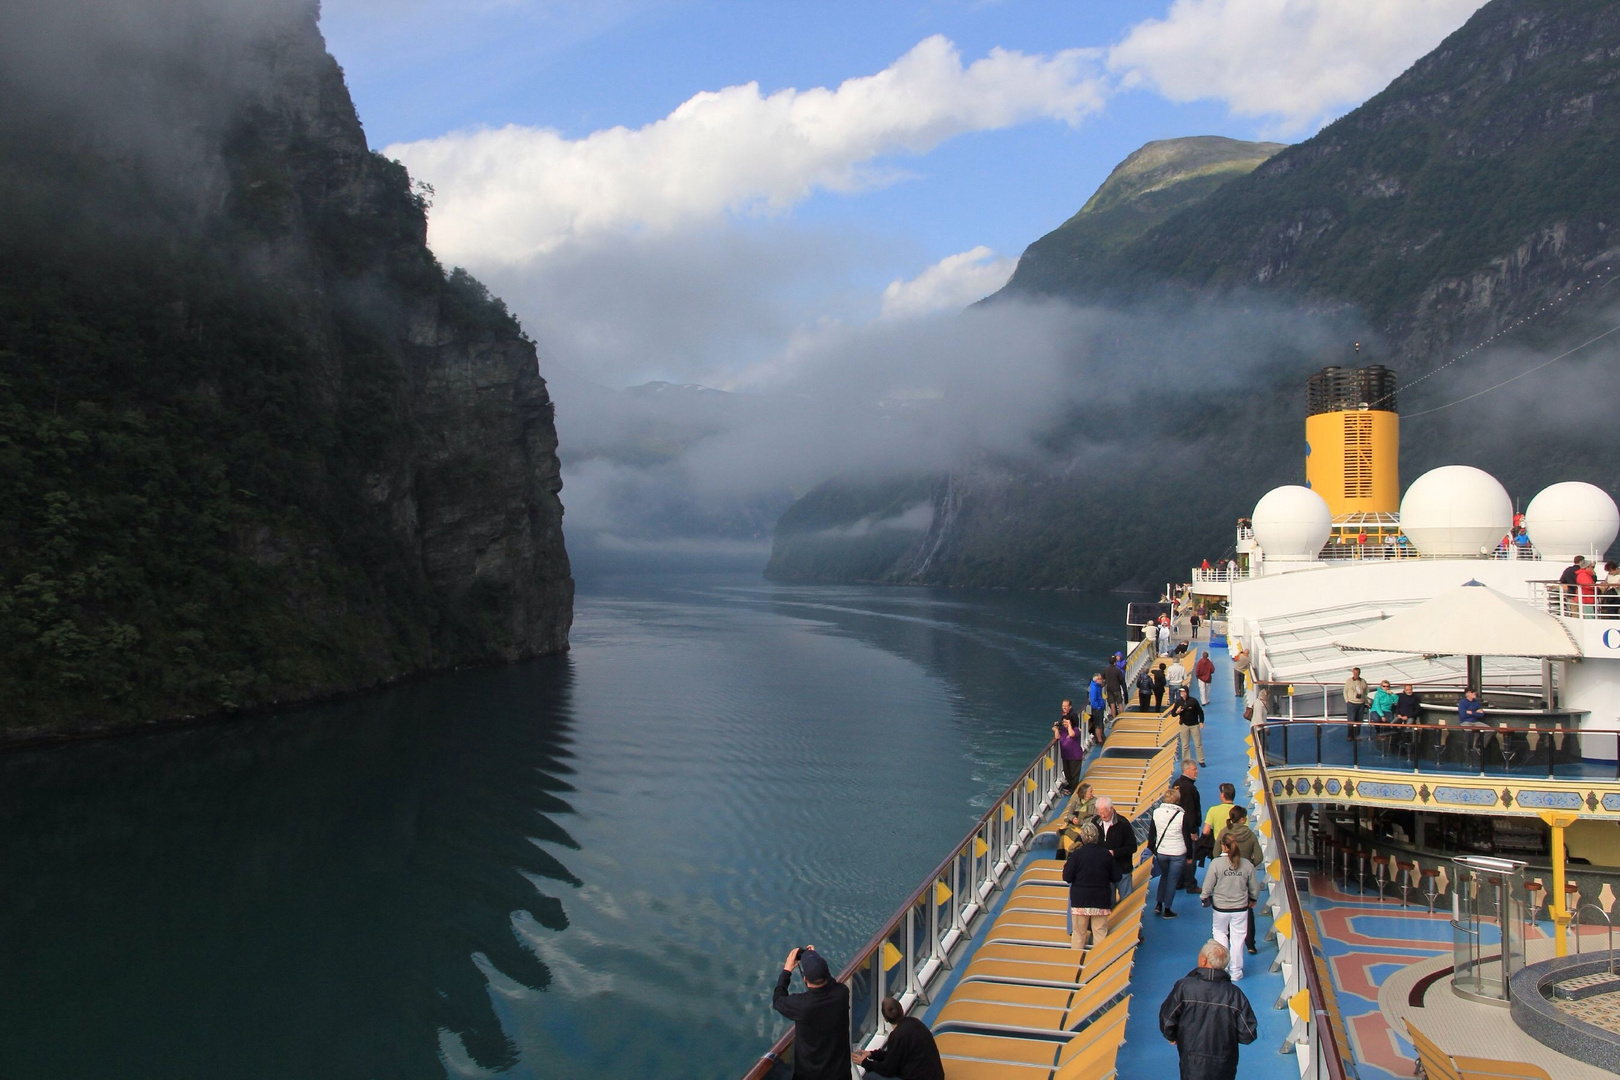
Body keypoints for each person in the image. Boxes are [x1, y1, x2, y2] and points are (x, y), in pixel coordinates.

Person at [1158, 940, 1258, 1080]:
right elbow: (1248, 1034)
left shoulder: (1185, 987)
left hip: (1192, 1061)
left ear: (1204, 961)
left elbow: (1167, 1019)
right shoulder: (1235, 995)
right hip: (1224, 1064)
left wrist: (1172, 1035)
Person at [774, 947, 851, 1080]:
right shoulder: (842, 993)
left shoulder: (801, 1005)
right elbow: (830, 983)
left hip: (809, 1074)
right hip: (840, 1072)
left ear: (805, 980)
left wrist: (787, 971)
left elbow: (778, 1000)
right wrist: (813, 958)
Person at [1200, 835, 1259, 980]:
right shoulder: (1246, 864)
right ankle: (1236, 972)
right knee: (1238, 940)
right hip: (1240, 908)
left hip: (1220, 908)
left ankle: (1222, 967)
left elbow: (1208, 885)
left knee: (1220, 934)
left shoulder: (1216, 864)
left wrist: (1204, 897)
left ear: (1223, 846)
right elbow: (1254, 887)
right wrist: (1253, 899)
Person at [1062, 822, 1121, 952]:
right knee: (1100, 933)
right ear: (1097, 837)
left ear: (1082, 837)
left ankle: (1075, 965)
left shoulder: (1076, 855)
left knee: (1078, 934)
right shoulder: (1106, 855)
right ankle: (1100, 965)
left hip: (1080, 901)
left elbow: (1067, 877)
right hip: (1100, 901)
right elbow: (1117, 876)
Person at [852, 997, 944, 1080]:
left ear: (885, 1019)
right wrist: (872, 1054)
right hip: (937, 1076)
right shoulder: (915, 1022)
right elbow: (895, 1055)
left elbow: (888, 1070)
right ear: (902, 1010)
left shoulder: (897, 1035)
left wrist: (865, 1063)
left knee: (870, 1075)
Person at [1217, 806, 1264, 955]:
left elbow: (1215, 853)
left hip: (1225, 876)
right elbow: (1259, 857)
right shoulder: (1250, 835)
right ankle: (1250, 944)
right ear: (1243, 819)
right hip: (1244, 879)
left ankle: (1227, 939)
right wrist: (1248, 866)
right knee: (1247, 910)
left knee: (1226, 908)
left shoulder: (1224, 832)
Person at [1147, 788, 1188, 918]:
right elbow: (1186, 835)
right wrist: (1191, 854)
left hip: (1161, 851)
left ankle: (1158, 904)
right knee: (1172, 880)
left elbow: (1152, 833)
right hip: (1178, 852)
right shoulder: (1182, 815)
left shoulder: (1156, 812)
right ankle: (1168, 909)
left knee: (1164, 876)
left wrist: (1152, 849)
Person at [1093, 796, 1138, 904]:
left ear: (1111, 809)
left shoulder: (1123, 823)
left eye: (1105, 813)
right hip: (1105, 870)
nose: (1103, 816)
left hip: (1122, 869)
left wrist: (1114, 853)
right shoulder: (1095, 822)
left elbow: (1132, 847)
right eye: (1100, 813)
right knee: (1109, 904)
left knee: (1127, 902)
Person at [1173, 762, 1203, 893]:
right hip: (1188, 828)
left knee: (1180, 854)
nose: (1197, 771)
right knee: (1191, 856)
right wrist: (1193, 831)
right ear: (1186, 770)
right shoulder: (1189, 788)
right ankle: (1190, 883)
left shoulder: (1177, 784)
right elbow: (1190, 810)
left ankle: (1179, 881)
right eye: (1194, 769)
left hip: (1177, 826)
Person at [1171, 687, 1206, 767]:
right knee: (1185, 745)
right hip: (1184, 725)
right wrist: (1177, 712)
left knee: (1198, 743)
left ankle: (1201, 760)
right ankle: (1186, 761)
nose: (1181, 693)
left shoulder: (1193, 701)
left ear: (1186, 692)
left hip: (1194, 725)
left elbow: (1200, 712)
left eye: (1183, 692)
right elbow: (1173, 714)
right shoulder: (1178, 702)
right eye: (1180, 692)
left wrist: (1201, 722)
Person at [1055, 713, 1085, 794]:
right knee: (1067, 773)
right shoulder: (1063, 731)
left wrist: (1069, 726)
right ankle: (1070, 786)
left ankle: (1073, 789)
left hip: (1075, 756)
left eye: (1066, 722)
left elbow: (1072, 734)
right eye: (1063, 722)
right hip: (1066, 756)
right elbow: (1057, 737)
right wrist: (1057, 728)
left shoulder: (1075, 729)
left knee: (1074, 774)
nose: (1064, 724)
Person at [1394, 683, 1422, 756]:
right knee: (1392, 724)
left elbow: (1417, 710)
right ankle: (1395, 740)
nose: (1409, 691)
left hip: (1410, 716)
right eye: (1407, 690)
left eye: (1410, 690)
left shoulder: (1416, 698)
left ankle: (1404, 741)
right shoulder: (1401, 697)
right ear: (1404, 690)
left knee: (1407, 727)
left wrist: (1408, 716)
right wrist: (1398, 714)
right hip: (1400, 715)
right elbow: (1398, 707)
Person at [1369, 680, 1398, 745]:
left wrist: (1392, 694)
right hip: (1376, 710)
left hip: (1387, 710)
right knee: (1377, 719)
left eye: (1387, 686)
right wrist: (1382, 715)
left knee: (1390, 720)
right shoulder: (1378, 694)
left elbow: (1397, 700)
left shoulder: (1390, 694)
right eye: (1384, 686)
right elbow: (1377, 705)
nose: (1386, 688)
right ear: (1381, 687)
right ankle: (1378, 732)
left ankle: (1386, 734)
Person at [1343, 667, 1368, 741]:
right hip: (1351, 703)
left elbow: (1366, 691)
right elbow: (1345, 691)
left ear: (1359, 673)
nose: (1356, 674)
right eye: (1354, 673)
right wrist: (1347, 700)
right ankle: (1350, 735)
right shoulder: (1349, 681)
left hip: (1361, 703)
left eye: (1357, 673)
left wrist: (1364, 699)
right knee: (1351, 720)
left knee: (1359, 720)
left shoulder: (1363, 681)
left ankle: (1357, 735)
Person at [1087, 674, 1109, 746]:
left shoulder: (1097, 686)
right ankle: (1099, 740)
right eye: (1100, 679)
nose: (1102, 680)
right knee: (1098, 725)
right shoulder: (1094, 688)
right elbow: (1093, 701)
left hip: (1099, 707)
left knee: (1100, 724)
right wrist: (1098, 706)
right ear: (1096, 680)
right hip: (1097, 709)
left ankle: (1101, 737)